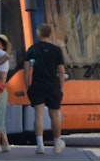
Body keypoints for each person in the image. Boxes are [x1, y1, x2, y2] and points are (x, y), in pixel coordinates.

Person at [23, 23, 67, 154]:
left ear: (38, 34)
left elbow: (26, 71)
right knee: (54, 115)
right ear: (50, 34)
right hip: (53, 85)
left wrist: (28, 86)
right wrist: (61, 87)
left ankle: (40, 145)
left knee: (39, 115)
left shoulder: (32, 49)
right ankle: (57, 143)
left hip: (37, 85)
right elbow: (61, 70)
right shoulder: (57, 50)